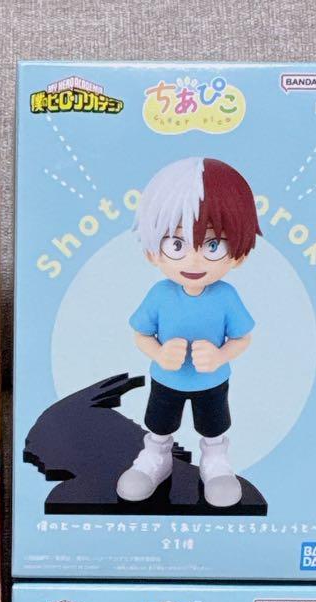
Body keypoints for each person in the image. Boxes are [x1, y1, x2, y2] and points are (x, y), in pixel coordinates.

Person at [118, 157, 261, 508]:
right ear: (153, 251)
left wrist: (220, 356)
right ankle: (156, 456)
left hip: (212, 382)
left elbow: (242, 338)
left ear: (238, 254)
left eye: (213, 245)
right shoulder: (159, 295)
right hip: (166, 379)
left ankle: (215, 461)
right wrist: (158, 353)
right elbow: (140, 334)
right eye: (177, 245)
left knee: (214, 426)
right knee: (159, 423)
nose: (193, 261)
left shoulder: (226, 297)